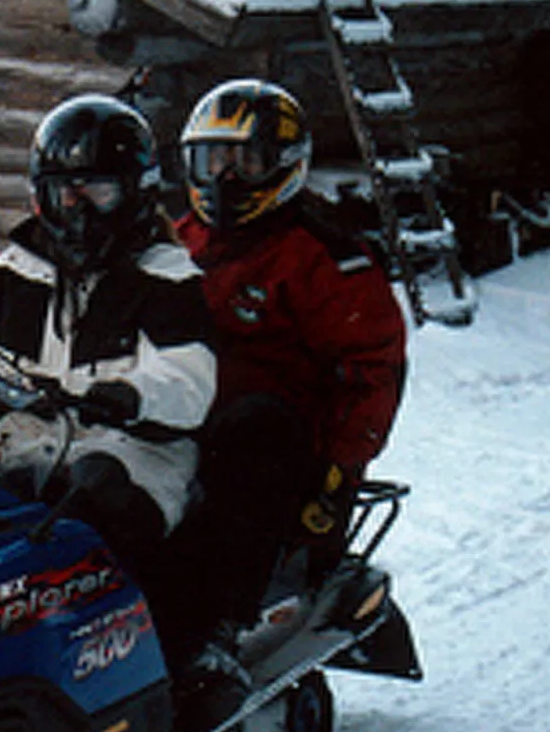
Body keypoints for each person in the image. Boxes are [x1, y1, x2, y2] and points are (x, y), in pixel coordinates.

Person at [0, 93, 225, 722]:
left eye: (98, 192)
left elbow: (189, 376)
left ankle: (162, 667)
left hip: (137, 448)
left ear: (134, 193)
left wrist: (133, 394)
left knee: (94, 512)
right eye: (64, 194)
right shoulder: (14, 270)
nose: (78, 211)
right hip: (31, 436)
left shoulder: (166, 277)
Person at [168, 78, 407, 648]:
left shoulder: (324, 257)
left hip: (276, 445)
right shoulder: (181, 241)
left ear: (285, 165)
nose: (226, 178)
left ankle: (215, 633)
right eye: (213, 161)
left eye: (245, 162)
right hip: (176, 415)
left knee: (250, 435)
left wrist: (340, 469)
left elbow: (372, 366)